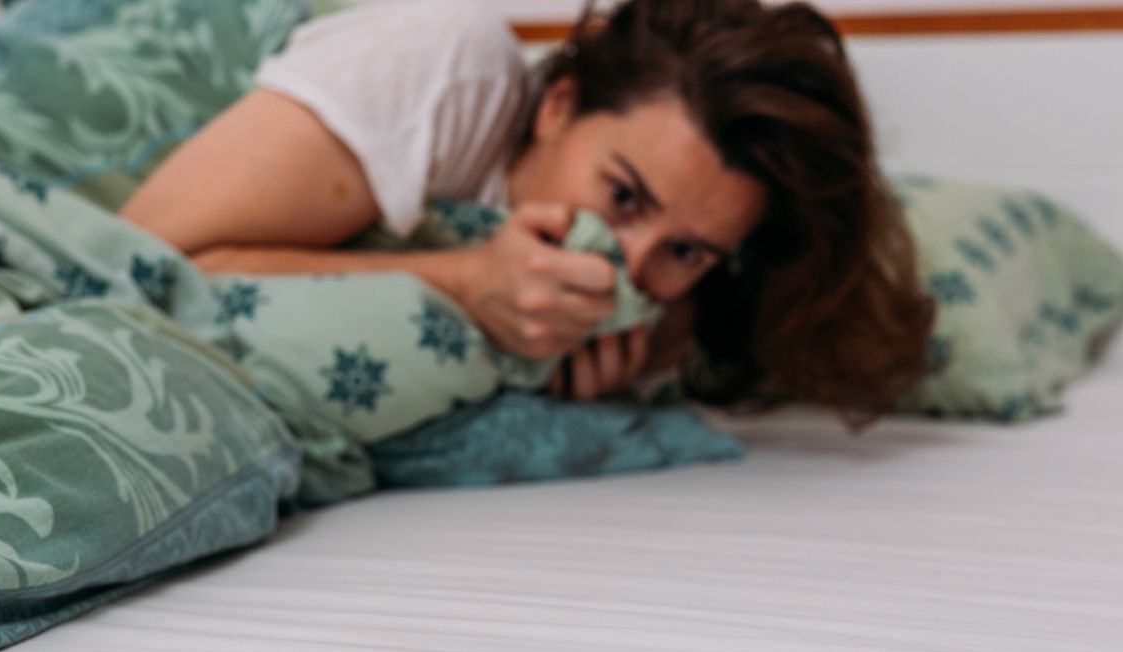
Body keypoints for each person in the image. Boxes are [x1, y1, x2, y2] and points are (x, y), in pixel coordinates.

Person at [120, 0, 934, 422]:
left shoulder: (665, 319)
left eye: (686, 251)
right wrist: (463, 284)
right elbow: (134, 263)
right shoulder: (446, 64)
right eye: (621, 197)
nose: (631, 265)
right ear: (559, 107)